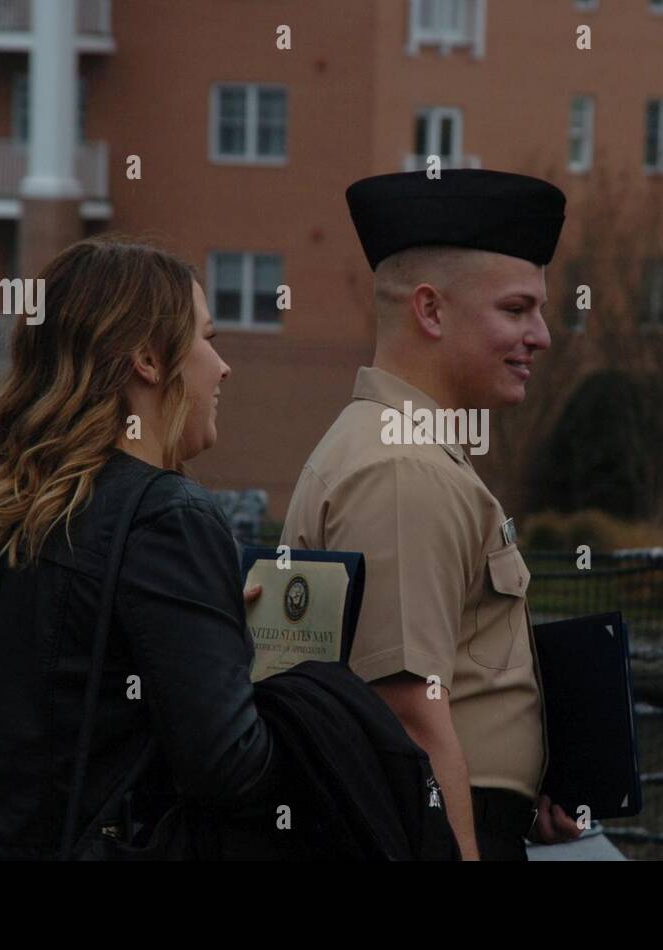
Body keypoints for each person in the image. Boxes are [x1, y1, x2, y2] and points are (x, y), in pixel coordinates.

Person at [0, 236, 456, 860]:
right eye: (206, 339)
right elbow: (233, 768)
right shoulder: (169, 516)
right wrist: (304, 689)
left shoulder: (18, 509)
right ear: (149, 360)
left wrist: (206, 635)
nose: (221, 367)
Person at [280, 169, 582, 861]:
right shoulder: (403, 469)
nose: (540, 335)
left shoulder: (405, 450)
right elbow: (410, 711)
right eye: (516, 309)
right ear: (431, 310)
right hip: (434, 835)